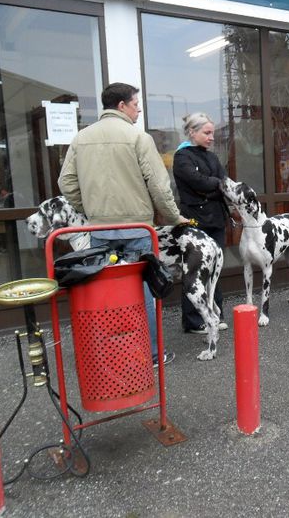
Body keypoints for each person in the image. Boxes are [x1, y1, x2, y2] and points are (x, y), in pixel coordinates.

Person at [59, 82, 186, 366]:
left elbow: (66, 183)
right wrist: (173, 216)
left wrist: (89, 209)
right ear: (122, 106)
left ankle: (113, 354)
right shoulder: (138, 138)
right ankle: (152, 354)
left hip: (98, 230)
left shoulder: (81, 138)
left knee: (105, 290)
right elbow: (159, 186)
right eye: (136, 104)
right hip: (137, 229)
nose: (139, 109)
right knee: (144, 291)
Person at [173, 112, 228, 333]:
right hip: (196, 221)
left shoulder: (211, 157)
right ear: (192, 132)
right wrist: (213, 186)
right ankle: (193, 321)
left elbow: (221, 182)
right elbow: (198, 182)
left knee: (215, 269)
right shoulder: (182, 156)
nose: (211, 137)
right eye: (207, 133)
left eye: (212, 132)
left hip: (216, 220)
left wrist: (211, 186)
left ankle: (215, 313)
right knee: (195, 271)